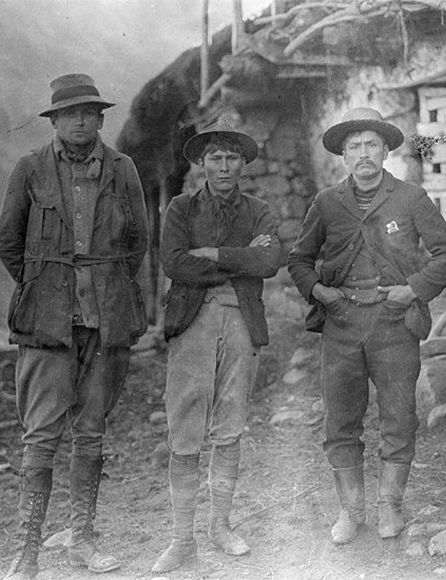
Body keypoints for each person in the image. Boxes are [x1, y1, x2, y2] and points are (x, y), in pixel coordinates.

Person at [0, 73, 149, 579]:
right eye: (70, 113)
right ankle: (26, 553)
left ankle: (82, 539)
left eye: (90, 112)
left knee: (92, 431)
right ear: (55, 121)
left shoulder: (123, 169)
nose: (81, 120)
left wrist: (103, 284)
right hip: (48, 320)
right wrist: (47, 286)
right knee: (40, 435)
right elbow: (9, 245)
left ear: (101, 118)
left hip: (106, 320)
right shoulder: (30, 170)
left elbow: (137, 243)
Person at [288, 107, 446, 544]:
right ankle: (351, 510)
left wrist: (415, 289)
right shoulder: (326, 203)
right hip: (342, 322)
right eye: (354, 147)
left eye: (371, 145)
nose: (363, 153)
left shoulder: (411, 197)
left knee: (398, 417)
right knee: (340, 420)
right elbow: (298, 259)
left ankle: (390, 507)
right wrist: (320, 292)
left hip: (394, 321)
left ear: (385, 151)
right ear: (343, 156)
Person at [150, 121, 282, 573]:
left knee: (230, 423)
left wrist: (212, 254)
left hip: (242, 320)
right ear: (201, 163)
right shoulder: (182, 209)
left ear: (243, 164)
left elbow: (269, 261)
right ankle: (181, 538)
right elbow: (173, 262)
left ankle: (220, 526)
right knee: (185, 427)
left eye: (231, 158)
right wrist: (238, 258)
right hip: (194, 321)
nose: (223, 166)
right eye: (215, 158)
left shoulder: (259, 210)